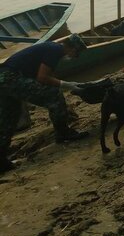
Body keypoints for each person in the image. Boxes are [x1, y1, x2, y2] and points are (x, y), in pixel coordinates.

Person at [0, 34, 90, 173]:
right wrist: (67, 85)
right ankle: (63, 133)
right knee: (54, 95)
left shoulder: (51, 48)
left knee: (9, 118)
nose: (74, 57)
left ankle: (1, 160)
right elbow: (42, 77)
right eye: (76, 53)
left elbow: (44, 75)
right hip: (11, 78)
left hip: (4, 79)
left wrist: (61, 83)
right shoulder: (55, 50)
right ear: (70, 47)